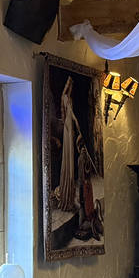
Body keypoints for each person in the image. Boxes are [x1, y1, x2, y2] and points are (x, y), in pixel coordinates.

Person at [54, 77, 81, 213]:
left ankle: (69, 195)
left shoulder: (68, 99)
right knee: (68, 160)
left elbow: (71, 115)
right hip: (68, 129)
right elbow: (69, 116)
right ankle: (66, 195)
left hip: (70, 129)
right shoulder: (65, 98)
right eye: (69, 85)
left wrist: (76, 127)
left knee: (70, 161)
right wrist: (75, 126)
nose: (70, 87)